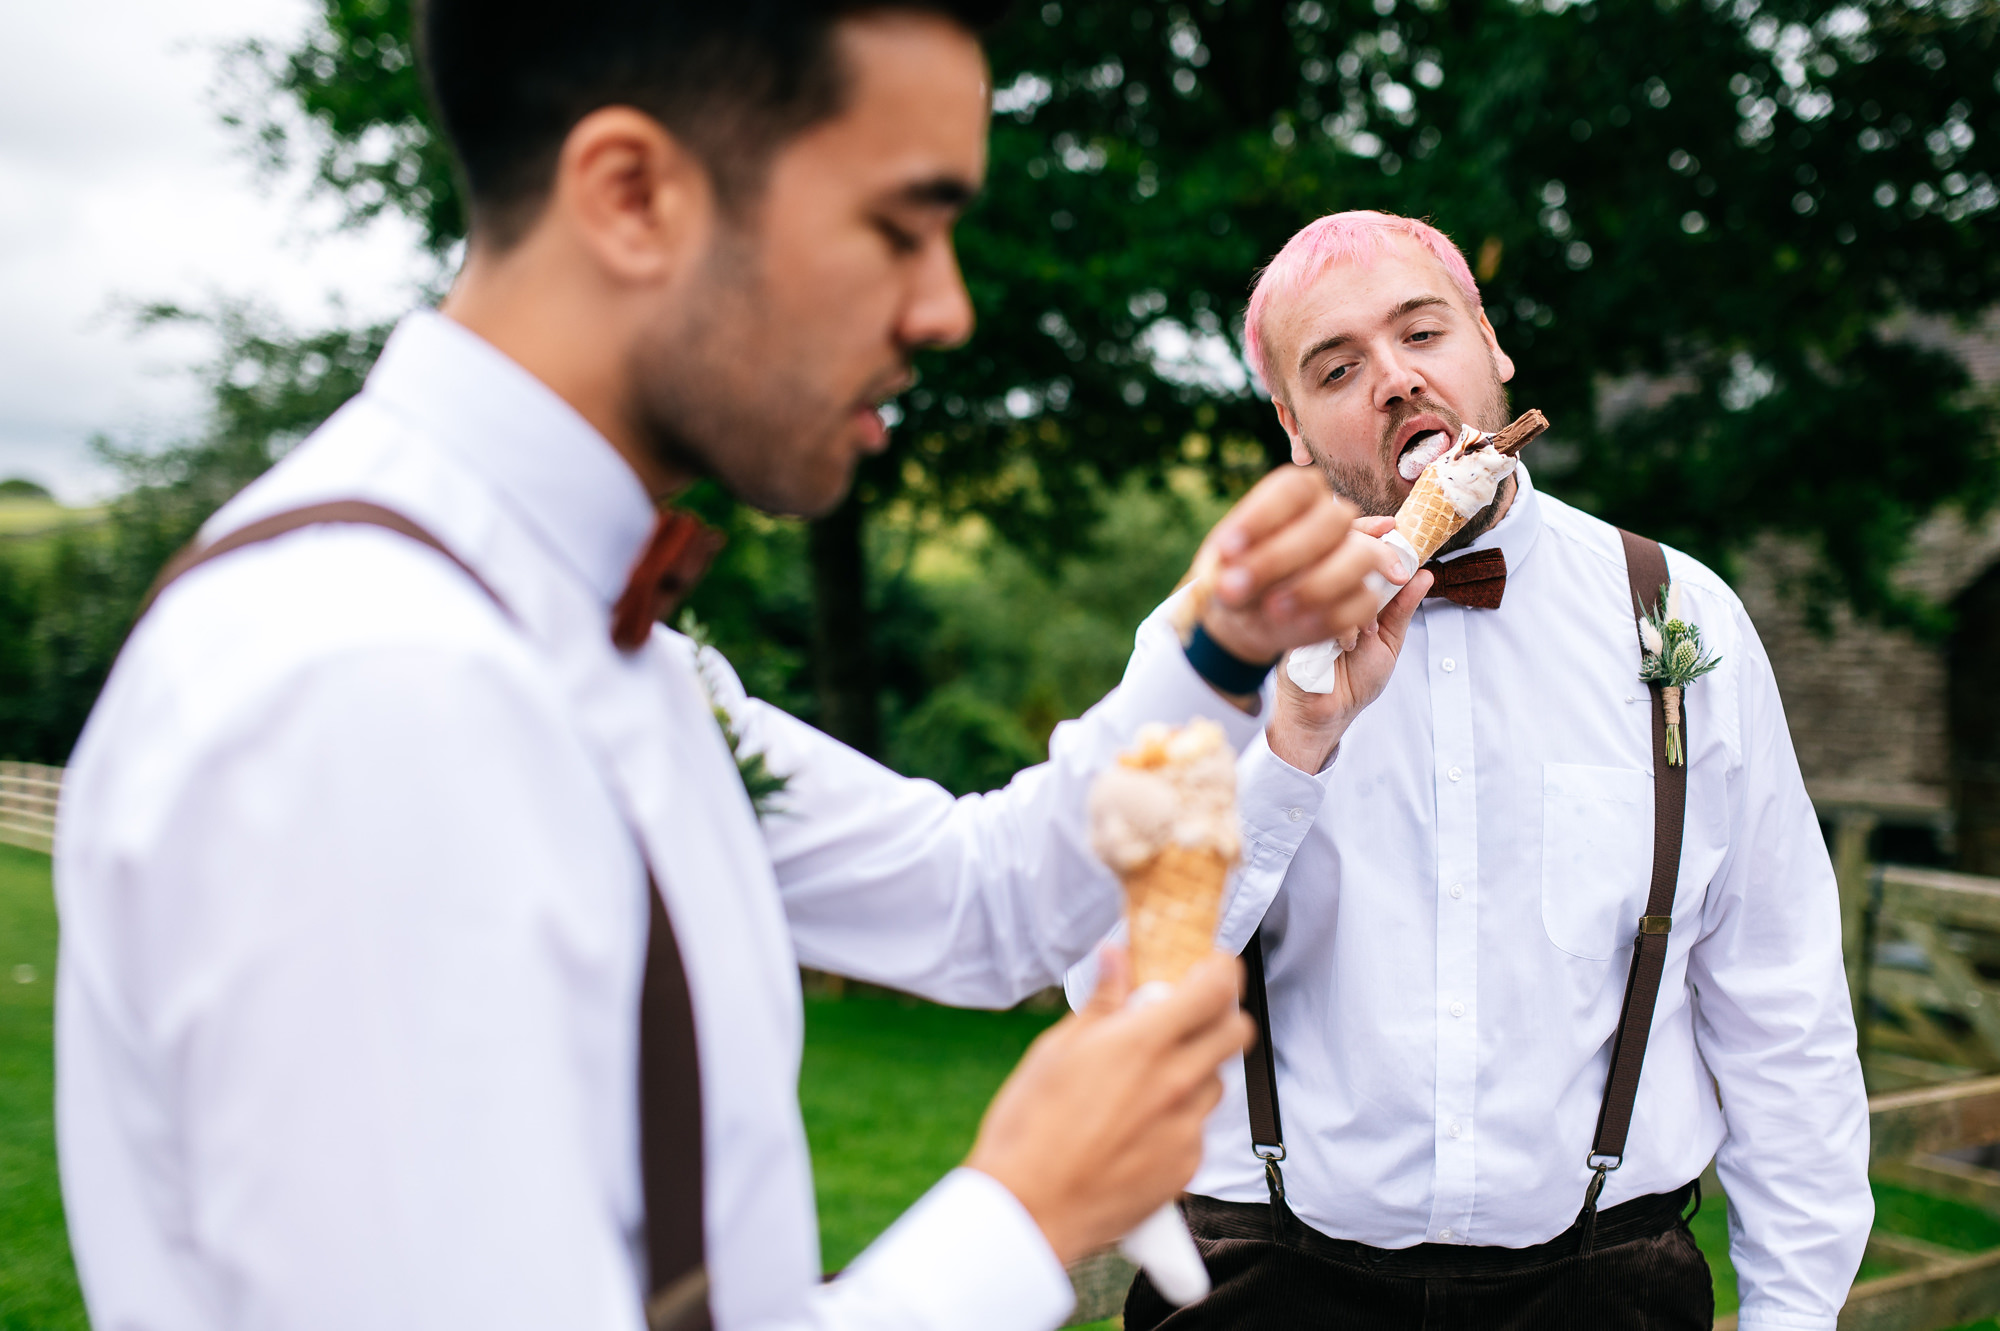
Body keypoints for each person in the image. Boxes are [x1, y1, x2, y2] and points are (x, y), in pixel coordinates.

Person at [52, 7, 1415, 1331]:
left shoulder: (597, 635)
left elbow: (979, 900)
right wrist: (1022, 1215)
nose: (947, 310)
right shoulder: (363, 685)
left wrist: (1219, 644)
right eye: (899, 227)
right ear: (633, 195)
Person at [1070, 211, 1872, 1330]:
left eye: (1421, 332)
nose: (1394, 379)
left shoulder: (1681, 616)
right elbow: (1105, 976)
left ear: (1490, 348)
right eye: (1336, 366)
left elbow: (1780, 1002)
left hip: (1605, 1282)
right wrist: (1289, 747)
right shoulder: (1211, 636)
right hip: (1266, 1281)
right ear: (1293, 428)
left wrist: (1793, 1312)